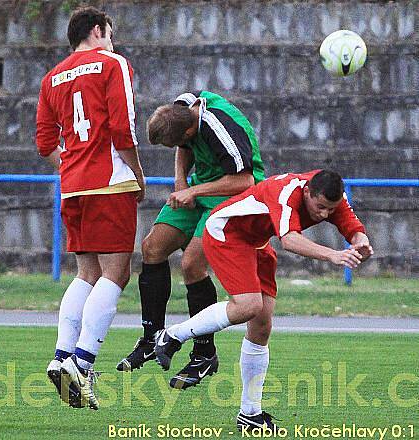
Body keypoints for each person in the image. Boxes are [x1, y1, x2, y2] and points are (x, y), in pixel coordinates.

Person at [154, 170, 373, 430]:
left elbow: (353, 228)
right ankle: (171, 335)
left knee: (262, 325)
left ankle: (250, 414)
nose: (325, 214)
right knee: (248, 306)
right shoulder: (287, 192)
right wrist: (333, 255)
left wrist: (362, 243)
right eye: (321, 207)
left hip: (256, 243)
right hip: (227, 232)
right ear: (307, 193)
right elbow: (289, 240)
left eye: (330, 209)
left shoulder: (331, 195)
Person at [116, 91, 266, 390]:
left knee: (191, 264)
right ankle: (151, 337)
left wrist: (193, 192)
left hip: (234, 194)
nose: (178, 147)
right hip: (201, 187)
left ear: (189, 131)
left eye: (176, 142)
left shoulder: (222, 130)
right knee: (152, 248)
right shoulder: (183, 109)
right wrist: (182, 183)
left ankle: (204, 352)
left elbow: (245, 180)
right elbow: (183, 147)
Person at [36, 6, 145, 409]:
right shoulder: (111, 64)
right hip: (110, 182)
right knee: (117, 273)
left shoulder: (52, 78)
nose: (113, 42)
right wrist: (137, 172)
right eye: (110, 34)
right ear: (98, 31)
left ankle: (62, 355)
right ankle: (82, 363)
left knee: (87, 272)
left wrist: (72, 169)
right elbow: (122, 127)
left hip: (73, 188)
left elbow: (46, 142)